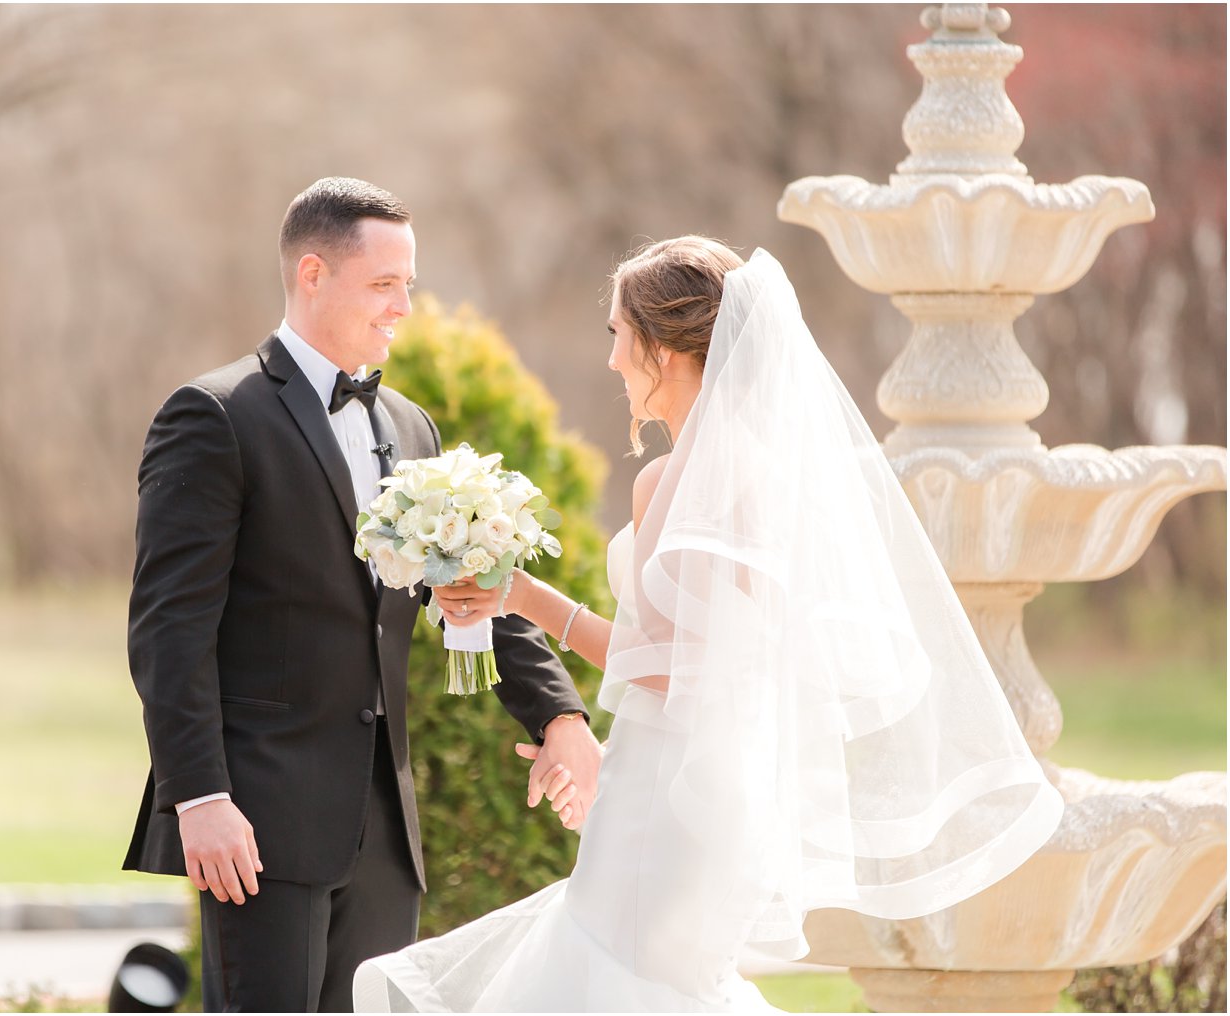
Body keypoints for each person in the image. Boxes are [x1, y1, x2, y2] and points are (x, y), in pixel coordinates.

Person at [356, 239, 1066, 1012]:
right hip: (690, 789)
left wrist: (528, 598)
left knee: (620, 981)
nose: (613, 360)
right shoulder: (745, 472)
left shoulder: (697, 481)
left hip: (673, 805)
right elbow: (689, 667)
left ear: (663, 347)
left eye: (619, 336)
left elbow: (677, 673)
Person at [123, 177, 604, 1013]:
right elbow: (169, 632)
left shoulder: (411, 428)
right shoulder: (215, 416)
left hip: (385, 834)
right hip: (256, 824)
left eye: (408, 285)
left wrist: (559, 719)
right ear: (313, 274)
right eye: (386, 285)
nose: (404, 308)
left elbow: (471, 584)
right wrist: (199, 797)